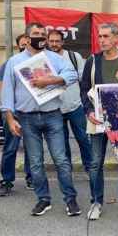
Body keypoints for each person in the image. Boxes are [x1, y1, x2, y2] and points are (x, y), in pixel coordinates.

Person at [0, 23, 80, 217]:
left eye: (42, 34)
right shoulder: (14, 62)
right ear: (26, 39)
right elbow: (7, 92)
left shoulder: (54, 58)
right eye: (36, 34)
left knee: (61, 160)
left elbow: (72, 74)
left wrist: (50, 80)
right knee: (35, 163)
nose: (40, 37)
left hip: (53, 115)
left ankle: (70, 199)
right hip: (26, 118)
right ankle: (43, 199)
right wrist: (10, 119)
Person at [80, 23, 118, 220]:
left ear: (116, 38)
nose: (102, 40)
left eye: (106, 36)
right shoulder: (93, 61)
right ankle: (96, 202)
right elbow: (84, 88)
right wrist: (88, 111)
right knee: (96, 162)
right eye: (100, 36)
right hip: (98, 120)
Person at [46, 30, 93, 175]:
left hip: (75, 105)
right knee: (62, 143)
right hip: (55, 109)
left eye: (57, 41)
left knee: (84, 139)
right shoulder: (43, 59)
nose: (54, 44)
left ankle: (91, 169)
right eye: (51, 41)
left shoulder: (74, 56)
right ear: (47, 42)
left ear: (62, 42)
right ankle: (67, 172)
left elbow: (83, 79)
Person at [0, 34, 33, 196]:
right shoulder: (8, 64)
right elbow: (1, 90)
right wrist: (8, 111)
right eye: (22, 44)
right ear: (18, 46)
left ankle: (31, 177)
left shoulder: (38, 62)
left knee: (31, 148)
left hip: (30, 112)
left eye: (27, 43)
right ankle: (7, 180)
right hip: (13, 113)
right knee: (10, 148)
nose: (25, 46)